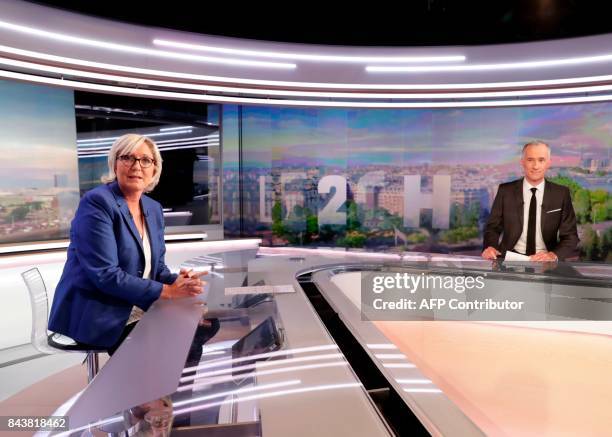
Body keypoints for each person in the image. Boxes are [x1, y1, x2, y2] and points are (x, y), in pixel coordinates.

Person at [48, 134, 206, 354]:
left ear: (154, 169)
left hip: (133, 304)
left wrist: (180, 283)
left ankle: (167, 387)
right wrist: (168, 291)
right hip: (97, 310)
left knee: (203, 324)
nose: (136, 166)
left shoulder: (152, 208)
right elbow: (105, 274)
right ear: (115, 164)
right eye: (128, 158)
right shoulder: (97, 202)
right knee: (181, 338)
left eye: (145, 160)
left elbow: (157, 268)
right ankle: (149, 387)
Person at [482, 141, 579, 262]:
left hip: (546, 261)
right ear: (522, 162)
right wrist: (491, 247)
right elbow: (492, 227)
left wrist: (553, 255)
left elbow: (571, 237)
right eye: (530, 160)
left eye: (541, 160)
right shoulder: (505, 191)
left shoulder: (561, 193)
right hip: (510, 259)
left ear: (549, 163)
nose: (536, 166)